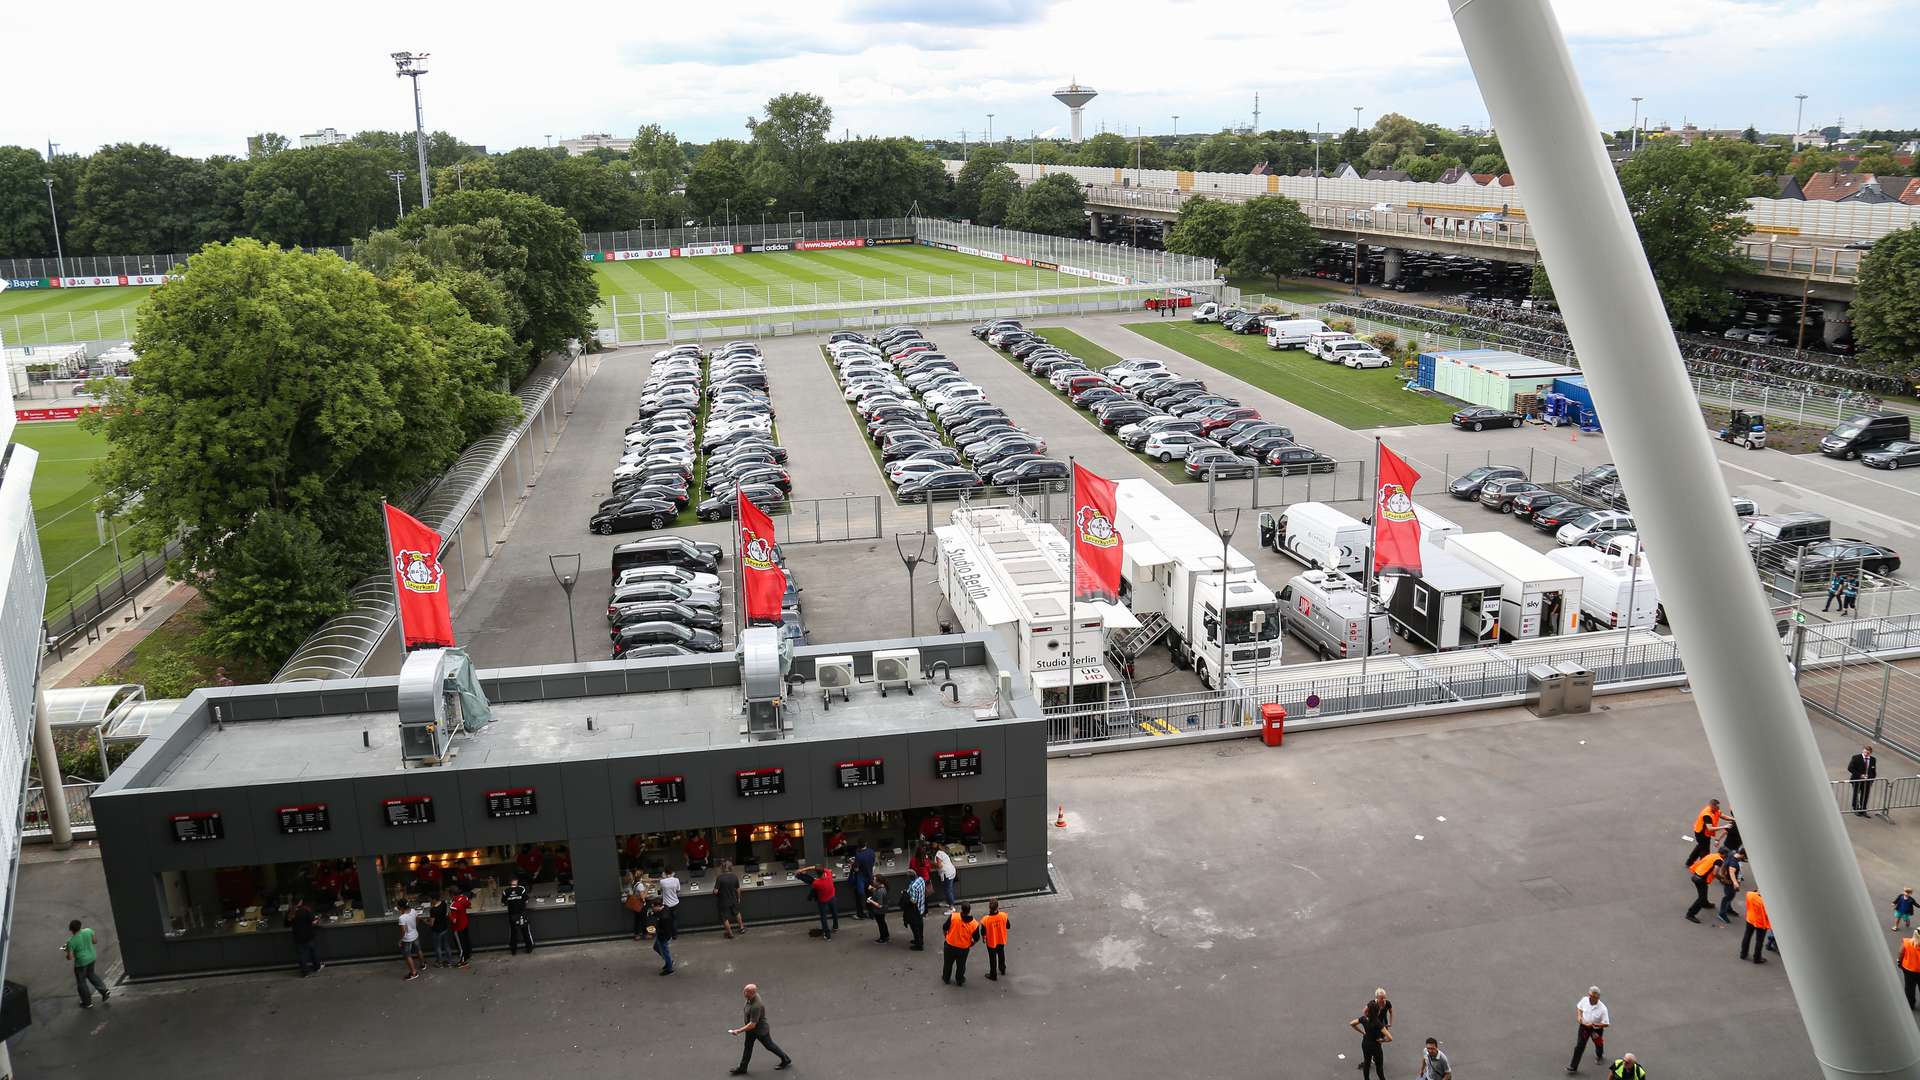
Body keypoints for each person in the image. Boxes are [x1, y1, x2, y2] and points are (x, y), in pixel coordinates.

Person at [728, 982, 792, 1074]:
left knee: (770, 1046)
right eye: (744, 991)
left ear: (752, 993)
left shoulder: (756, 1006)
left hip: (760, 1031)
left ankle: (786, 1059)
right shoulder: (751, 998)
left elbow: (753, 1024)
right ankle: (743, 1068)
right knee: (748, 1047)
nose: (744, 993)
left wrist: (738, 1031)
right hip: (751, 1030)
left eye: (747, 992)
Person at [64, 918, 111, 1007]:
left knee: (81, 982)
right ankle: (104, 991)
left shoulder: (71, 941)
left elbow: (70, 957)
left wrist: (67, 951)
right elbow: (95, 941)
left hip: (81, 963)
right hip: (92, 957)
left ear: (71, 929)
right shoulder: (89, 931)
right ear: (80, 926)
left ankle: (87, 1002)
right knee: (91, 974)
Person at [1349, 988, 1393, 1079]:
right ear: (1378, 1011)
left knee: (1367, 1063)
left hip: (1365, 1044)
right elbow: (1390, 1038)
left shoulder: (1363, 1019)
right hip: (1376, 1046)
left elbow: (1352, 1023)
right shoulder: (1379, 1024)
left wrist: (1362, 1032)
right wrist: (1382, 1040)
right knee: (1379, 1068)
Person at [1568, 986, 1610, 1073]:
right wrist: (1579, 1016)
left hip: (1595, 1029)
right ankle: (1573, 1066)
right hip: (1584, 1027)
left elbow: (1606, 1024)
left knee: (1598, 1043)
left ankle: (1599, 1055)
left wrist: (1595, 1025)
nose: (1591, 998)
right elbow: (1579, 1008)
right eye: (1590, 995)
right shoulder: (1584, 1000)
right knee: (1579, 1046)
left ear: (1598, 997)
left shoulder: (1603, 1009)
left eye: (1594, 997)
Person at [941, 902, 982, 986]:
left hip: (950, 946)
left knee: (948, 964)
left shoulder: (953, 916)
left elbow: (945, 927)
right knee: (961, 965)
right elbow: (977, 938)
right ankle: (959, 980)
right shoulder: (974, 924)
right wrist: (971, 944)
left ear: (962, 909)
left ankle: (946, 978)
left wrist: (946, 936)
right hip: (963, 949)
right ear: (970, 910)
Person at [795, 864, 838, 940]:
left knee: (823, 917)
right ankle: (835, 927)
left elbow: (813, 887)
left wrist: (801, 871)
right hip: (832, 897)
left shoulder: (816, 883)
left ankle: (827, 936)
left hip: (823, 901)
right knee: (834, 912)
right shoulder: (828, 873)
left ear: (816, 873)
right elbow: (814, 868)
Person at [285, 897, 323, 977]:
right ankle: (317, 967)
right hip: (309, 936)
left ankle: (304, 972)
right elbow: (313, 922)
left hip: (298, 937)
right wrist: (318, 919)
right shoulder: (306, 910)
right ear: (301, 901)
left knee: (301, 955)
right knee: (313, 952)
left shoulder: (290, 911)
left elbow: (286, 924)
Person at [1685, 848, 1725, 923]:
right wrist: (1721, 878)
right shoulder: (1719, 860)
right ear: (1723, 854)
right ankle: (1690, 914)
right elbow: (1715, 873)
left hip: (1696, 875)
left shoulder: (1713, 855)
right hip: (1701, 879)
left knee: (1703, 892)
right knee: (1701, 898)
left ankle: (1705, 904)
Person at [1686, 800, 1726, 866]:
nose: (1719, 808)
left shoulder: (1714, 810)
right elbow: (1709, 828)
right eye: (1717, 807)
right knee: (1705, 851)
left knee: (1700, 847)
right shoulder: (1707, 815)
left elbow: (1722, 815)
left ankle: (1689, 862)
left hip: (1705, 833)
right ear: (1712, 806)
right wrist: (1724, 826)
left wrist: (1733, 819)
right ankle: (1702, 866)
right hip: (1701, 833)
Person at [1740, 888, 1772, 964]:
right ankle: (1757, 958)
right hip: (1760, 923)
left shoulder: (1749, 894)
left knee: (1747, 936)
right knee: (1759, 941)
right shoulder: (1764, 902)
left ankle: (1743, 954)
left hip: (1750, 918)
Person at [716, 860, 746, 939]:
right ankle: (742, 928)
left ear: (722, 868)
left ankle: (730, 933)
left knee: (725, 917)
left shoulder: (720, 878)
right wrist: (738, 898)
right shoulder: (734, 876)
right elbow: (738, 889)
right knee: (737, 913)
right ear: (730, 867)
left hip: (723, 901)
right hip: (733, 899)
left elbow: (716, 891)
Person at [505, 875, 534, 954]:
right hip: (522, 914)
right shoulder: (521, 889)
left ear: (510, 882)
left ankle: (513, 950)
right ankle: (529, 949)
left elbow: (503, 902)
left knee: (513, 933)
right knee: (525, 931)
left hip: (512, 915)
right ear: (516, 882)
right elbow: (526, 900)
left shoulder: (506, 891)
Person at [981, 898, 1009, 980]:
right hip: (1001, 939)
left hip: (991, 942)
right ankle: (1002, 968)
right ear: (998, 907)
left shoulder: (985, 919)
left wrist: (984, 939)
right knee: (1001, 954)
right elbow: (1008, 926)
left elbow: (983, 932)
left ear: (989, 908)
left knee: (992, 958)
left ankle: (993, 975)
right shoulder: (1003, 915)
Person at [396, 899, 424, 981]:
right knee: (419, 950)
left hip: (407, 939)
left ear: (401, 907)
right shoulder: (413, 911)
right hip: (415, 934)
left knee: (407, 955)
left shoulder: (402, 918)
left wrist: (401, 940)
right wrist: (414, 927)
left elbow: (403, 931)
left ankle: (413, 973)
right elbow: (418, 918)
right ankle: (423, 964)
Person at [849, 840, 877, 920]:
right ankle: (871, 914)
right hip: (870, 877)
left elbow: (856, 869)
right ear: (866, 844)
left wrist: (852, 864)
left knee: (859, 896)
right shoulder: (871, 852)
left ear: (858, 846)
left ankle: (860, 914)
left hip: (861, 879)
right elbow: (873, 863)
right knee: (870, 895)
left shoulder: (858, 855)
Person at [901, 871, 928, 951]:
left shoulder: (913, 886)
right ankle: (920, 940)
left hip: (915, 910)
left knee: (915, 927)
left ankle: (918, 945)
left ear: (909, 878)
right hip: (921, 907)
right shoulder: (921, 879)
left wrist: (905, 894)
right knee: (920, 925)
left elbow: (913, 901)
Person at [1849, 745, 1878, 817]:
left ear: (1870, 753)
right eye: (1865, 752)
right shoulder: (1856, 757)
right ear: (1862, 750)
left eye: (1868, 753)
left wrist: (1871, 779)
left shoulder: (1873, 759)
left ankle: (1863, 810)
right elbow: (1850, 768)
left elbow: (1873, 770)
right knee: (1856, 794)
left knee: (1865, 795)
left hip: (1867, 781)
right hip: (1857, 779)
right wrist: (1860, 775)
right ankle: (1856, 809)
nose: (1866, 754)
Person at [1715, 851, 1744, 925]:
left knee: (1730, 896)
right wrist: (1735, 883)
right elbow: (1731, 872)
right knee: (1728, 897)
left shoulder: (1732, 854)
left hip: (1726, 880)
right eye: (1745, 857)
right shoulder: (1734, 863)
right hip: (1729, 883)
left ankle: (1728, 909)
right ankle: (1722, 914)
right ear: (1742, 855)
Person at [652, 897, 677, 975]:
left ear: (658, 906)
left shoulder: (664, 917)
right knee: (656, 947)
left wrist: (655, 931)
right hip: (663, 935)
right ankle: (668, 961)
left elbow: (665, 930)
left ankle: (669, 968)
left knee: (665, 952)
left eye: (653, 907)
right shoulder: (665, 908)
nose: (653, 909)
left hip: (663, 937)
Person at [429, 892, 455, 968]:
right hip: (444, 928)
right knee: (446, 945)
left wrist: (426, 921)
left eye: (430, 899)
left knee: (438, 947)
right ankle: (450, 961)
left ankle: (439, 962)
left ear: (434, 899)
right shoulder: (443, 903)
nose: (430, 901)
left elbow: (431, 924)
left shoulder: (433, 910)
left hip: (437, 930)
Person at [448, 888, 473, 967]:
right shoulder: (464, 898)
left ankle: (463, 961)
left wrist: (449, 915)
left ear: (452, 894)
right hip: (465, 923)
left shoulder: (454, 905)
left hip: (458, 927)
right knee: (466, 940)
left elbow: (454, 920)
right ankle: (468, 954)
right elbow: (469, 905)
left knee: (460, 945)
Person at [626, 874, 652, 940]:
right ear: (641, 878)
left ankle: (637, 935)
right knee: (644, 920)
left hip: (636, 905)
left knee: (637, 920)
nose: (647, 879)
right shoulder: (640, 885)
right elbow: (643, 897)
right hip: (640, 905)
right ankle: (645, 934)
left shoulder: (635, 884)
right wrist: (647, 888)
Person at [866, 876, 891, 943]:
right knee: (883, 922)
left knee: (880, 923)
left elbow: (879, 905)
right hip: (883, 910)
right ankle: (886, 935)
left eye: (874, 880)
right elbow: (877, 891)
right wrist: (872, 889)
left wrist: (870, 900)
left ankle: (883, 938)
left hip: (879, 911)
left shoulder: (880, 891)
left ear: (878, 882)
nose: (873, 881)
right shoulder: (882, 888)